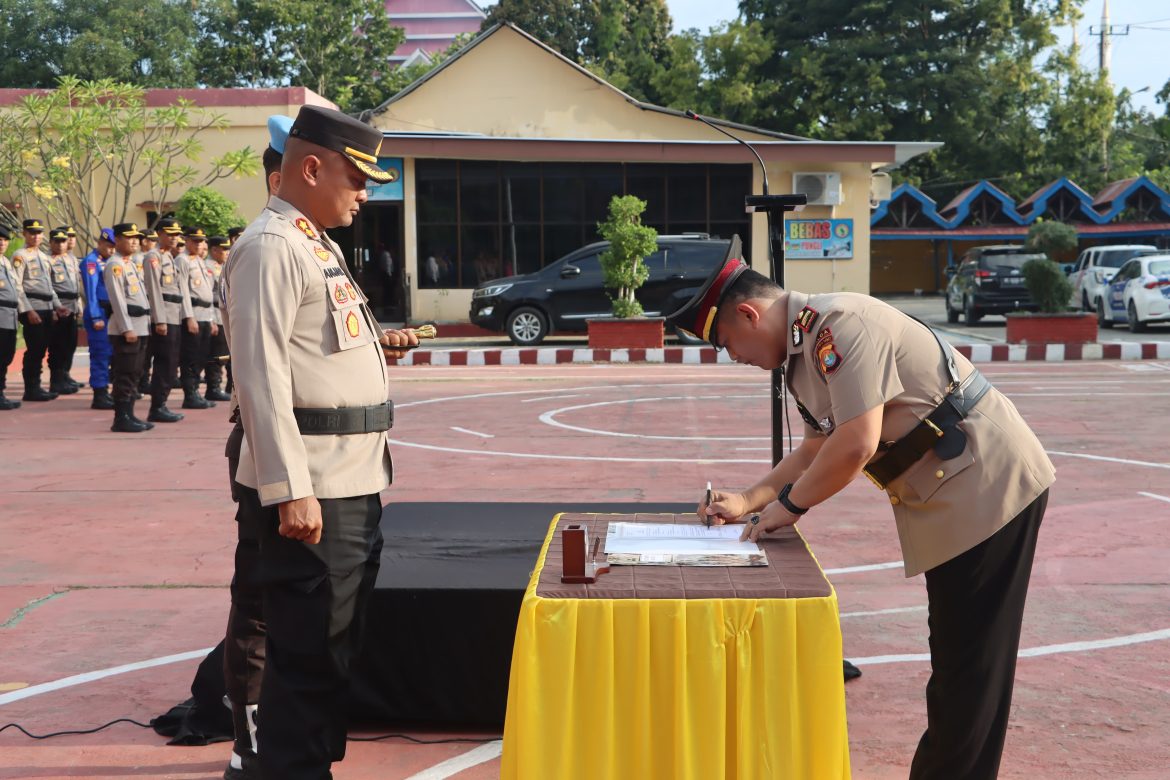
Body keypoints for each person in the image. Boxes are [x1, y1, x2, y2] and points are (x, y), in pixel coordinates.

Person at [669, 236, 1055, 780]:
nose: (736, 358)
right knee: (958, 663)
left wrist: (786, 508)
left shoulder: (842, 324)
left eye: (729, 343)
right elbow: (812, 448)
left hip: (988, 485)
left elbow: (855, 443)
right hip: (950, 492)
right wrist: (749, 500)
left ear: (750, 313)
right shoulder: (803, 353)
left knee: (969, 668)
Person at [223, 104, 416, 780]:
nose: (366, 194)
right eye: (357, 179)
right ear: (311, 167)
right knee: (307, 658)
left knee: (333, 651)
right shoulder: (272, 246)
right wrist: (290, 488)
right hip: (314, 489)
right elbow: (261, 375)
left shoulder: (312, 241)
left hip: (352, 480)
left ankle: (307, 767)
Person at [103, 223, 153, 433]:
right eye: (128, 237)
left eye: (136, 238)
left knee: (135, 373)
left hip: (141, 326)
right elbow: (117, 300)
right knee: (124, 373)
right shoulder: (114, 265)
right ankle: (121, 417)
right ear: (117, 240)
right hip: (128, 328)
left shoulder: (131, 263)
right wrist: (126, 329)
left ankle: (130, 414)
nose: (134, 241)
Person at [140, 218, 190, 423]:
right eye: (170, 234)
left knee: (171, 362)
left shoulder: (169, 256)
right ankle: (157, 406)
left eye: (177, 234)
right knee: (164, 362)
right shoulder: (153, 257)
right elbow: (153, 290)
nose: (174, 238)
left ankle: (162, 403)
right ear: (159, 234)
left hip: (174, 315)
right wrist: (159, 320)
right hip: (164, 318)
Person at [12, 218, 67, 402]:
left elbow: (49, 286)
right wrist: (27, 310)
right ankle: (31, 388)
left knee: (42, 348)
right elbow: (17, 285)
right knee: (34, 349)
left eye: (38, 233)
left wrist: (57, 306)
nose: (36, 236)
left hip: (46, 307)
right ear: (25, 234)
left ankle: (37, 385)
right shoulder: (20, 256)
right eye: (31, 233)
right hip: (32, 307)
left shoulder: (44, 257)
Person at [178, 227, 216, 409]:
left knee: (202, 356)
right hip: (193, 313)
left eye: (201, 240)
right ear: (186, 241)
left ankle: (196, 392)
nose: (198, 243)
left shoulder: (199, 261)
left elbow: (208, 292)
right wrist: (189, 316)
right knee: (190, 357)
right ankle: (190, 394)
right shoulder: (182, 260)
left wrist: (212, 319)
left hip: (205, 314)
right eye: (194, 240)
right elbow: (184, 291)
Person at [81, 228, 117, 409]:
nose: (111, 250)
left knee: (112, 354)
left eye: (114, 247)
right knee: (101, 354)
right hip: (100, 313)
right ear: (100, 243)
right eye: (109, 246)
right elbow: (91, 292)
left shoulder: (111, 261)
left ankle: (108, 390)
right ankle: (99, 394)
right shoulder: (91, 262)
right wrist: (95, 316)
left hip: (112, 313)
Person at [46, 227, 83, 394]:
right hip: (59, 306)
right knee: (58, 346)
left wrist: (79, 307)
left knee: (70, 344)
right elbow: (49, 287)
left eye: (64, 241)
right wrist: (54, 307)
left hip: (72, 306)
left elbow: (76, 284)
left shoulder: (71, 259)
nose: (61, 245)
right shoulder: (47, 260)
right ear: (51, 242)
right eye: (57, 241)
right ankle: (56, 380)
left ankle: (65, 375)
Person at [203, 236, 232, 402]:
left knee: (225, 354)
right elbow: (208, 295)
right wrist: (211, 319)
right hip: (214, 313)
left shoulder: (223, 266)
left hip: (224, 314)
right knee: (216, 355)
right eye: (223, 249)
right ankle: (213, 387)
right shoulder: (208, 267)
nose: (227, 252)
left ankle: (221, 386)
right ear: (214, 250)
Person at [0, 224, 22, 410]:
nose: (2, 242)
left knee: (6, 355)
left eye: (5, 239)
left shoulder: (6, 262)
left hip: (10, 316)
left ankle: (1, 392)